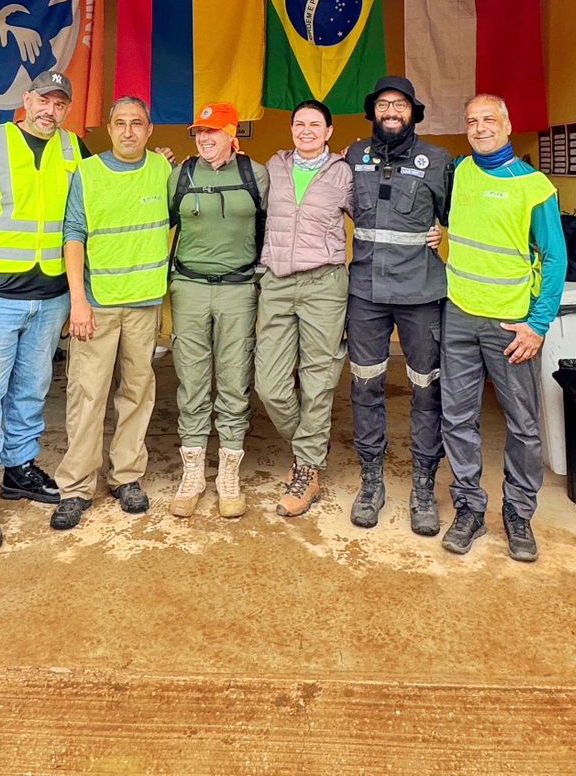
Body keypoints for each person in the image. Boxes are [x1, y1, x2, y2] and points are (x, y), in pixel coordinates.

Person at [0, 69, 86, 554]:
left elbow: (93, 210)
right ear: (25, 100)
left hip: (50, 297)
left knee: (31, 391)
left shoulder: (74, 150)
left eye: (59, 104)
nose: (50, 110)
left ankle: (19, 469)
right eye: (43, 101)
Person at [439, 93, 566, 560]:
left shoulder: (534, 186)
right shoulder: (460, 171)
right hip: (458, 315)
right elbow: (449, 221)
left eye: (489, 119)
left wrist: (537, 325)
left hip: (511, 325)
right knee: (457, 417)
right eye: (471, 120)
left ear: (508, 125)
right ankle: (469, 508)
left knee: (524, 425)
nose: (479, 127)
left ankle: (519, 513)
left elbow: (554, 259)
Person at [50, 97, 171, 531]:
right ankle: (77, 485)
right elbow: (74, 235)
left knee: (137, 393)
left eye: (136, 123)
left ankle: (127, 477)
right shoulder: (88, 172)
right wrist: (77, 300)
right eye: (120, 123)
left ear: (149, 129)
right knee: (87, 394)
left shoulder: (163, 170)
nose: (128, 131)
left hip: (144, 304)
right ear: (109, 128)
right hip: (97, 305)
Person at [344, 75, 453, 535]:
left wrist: (445, 232)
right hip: (366, 291)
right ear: (373, 112)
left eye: (400, 105)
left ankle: (424, 484)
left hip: (421, 293)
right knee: (365, 385)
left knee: (427, 388)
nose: (391, 112)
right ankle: (372, 480)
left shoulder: (439, 161)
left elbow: (460, 219)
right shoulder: (353, 157)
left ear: (414, 113)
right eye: (384, 104)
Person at [167, 101, 268, 520]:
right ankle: (192, 474)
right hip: (189, 287)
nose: (204, 139)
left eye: (213, 131)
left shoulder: (255, 174)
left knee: (233, 378)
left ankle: (228, 473)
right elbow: (158, 223)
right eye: (199, 133)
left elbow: (281, 222)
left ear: (233, 135)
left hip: (239, 289)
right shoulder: (181, 174)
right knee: (191, 379)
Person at [254, 100, 353, 517]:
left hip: (324, 283)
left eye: (316, 124)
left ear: (329, 132)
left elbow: (371, 217)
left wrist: (432, 230)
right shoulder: (271, 168)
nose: (307, 130)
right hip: (276, 281)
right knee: (269, 385)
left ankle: (307, 469)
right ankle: (309, 443)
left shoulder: (345, 173)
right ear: (291, 129)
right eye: (300, 124)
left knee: (319, 377)